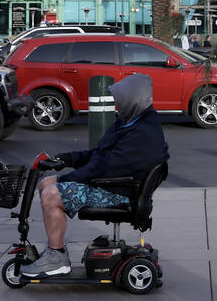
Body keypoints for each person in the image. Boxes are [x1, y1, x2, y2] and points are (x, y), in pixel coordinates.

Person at [22, 73, 169, 278]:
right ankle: (54, 249)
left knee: (51, 194)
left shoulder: (142, 134)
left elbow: (102, 168)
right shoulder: (131, 121)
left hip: (119, 192)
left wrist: (65, 179)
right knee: (45, 182)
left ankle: (56, 259)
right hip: (111, 183)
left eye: (121, 101)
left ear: (132, 100)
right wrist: (66, 159)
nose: (117, 106)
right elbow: (99, 154)